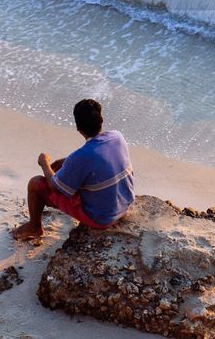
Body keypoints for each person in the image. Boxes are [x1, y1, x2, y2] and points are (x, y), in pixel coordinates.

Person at [11, 98, 135, 241]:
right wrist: (67, 162)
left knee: (35, 183)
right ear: (101, 119)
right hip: (125, 205)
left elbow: (54, 186)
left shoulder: (81, 156)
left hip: (102, 218)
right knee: (71, 173)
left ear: (78, 128)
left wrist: (44, 163)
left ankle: (34, 227)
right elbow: (97, 158)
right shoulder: (117, 137)